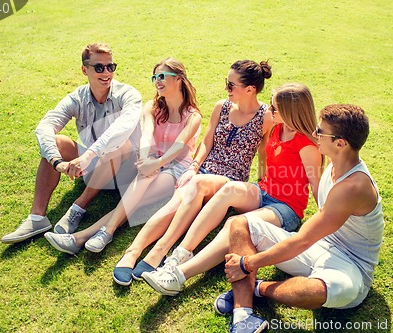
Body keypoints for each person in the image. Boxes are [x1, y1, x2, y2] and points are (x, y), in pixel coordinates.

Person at [142, 83, 323, 294]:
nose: (269, 111)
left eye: (274, 108)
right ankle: (179, 255)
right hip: (264, 191)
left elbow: (317, 185)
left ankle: (179, 275)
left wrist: (326, 225)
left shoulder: (307, 145)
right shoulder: (277, 128)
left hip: (286, 207)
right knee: (227, 191)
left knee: (234, 224)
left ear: (291, 112)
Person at [220, 104, 383, 332]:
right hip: (320, 247)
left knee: (316, 291)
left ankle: (257, 288)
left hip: (351, 266)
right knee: (240, 223)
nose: (314, 134)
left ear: (340, 143)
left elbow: (302, 240)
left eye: (320, 132)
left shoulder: (354, 186)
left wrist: (247, 264)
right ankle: (243, 315)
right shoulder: (335, 165)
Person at [112, 60, 274, 286]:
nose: (226, 89)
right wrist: (193, 167)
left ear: (250, 89)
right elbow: (207, 142)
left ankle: (158, 251)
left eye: (231, 85)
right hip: (203, 171)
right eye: (226, 83)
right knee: (174, 205)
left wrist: (263, 183)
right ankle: (132, 251)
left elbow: (264, 154)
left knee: (195, 187)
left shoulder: (266, 117)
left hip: (230, 179)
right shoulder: (222, 106)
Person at [42, 58, 202, 255]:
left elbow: (179, 146)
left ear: (178, 79)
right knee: (139, 188)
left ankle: (85, 236)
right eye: (154, 77)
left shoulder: (193, 116)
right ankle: (95, 235)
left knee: (136, 200)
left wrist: (157, 163)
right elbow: (147, 134)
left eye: (162, 76)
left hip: (176, 168)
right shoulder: (152, 107)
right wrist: (145, 159)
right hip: (151, 160)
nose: (157, 81)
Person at [1, 42, 142, 244]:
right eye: (99, 67)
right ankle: (37, 217)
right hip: (93, 168)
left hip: (126, 173)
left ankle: (78, 207)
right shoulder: (78, 97)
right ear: (84, 70)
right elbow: (45, 126)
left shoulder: (128, 95)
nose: (106, 72)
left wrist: (88, 156)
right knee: (57, 141)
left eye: (110, 66)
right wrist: (57, 162)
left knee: (121, 143)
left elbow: (122, 129)